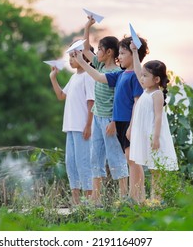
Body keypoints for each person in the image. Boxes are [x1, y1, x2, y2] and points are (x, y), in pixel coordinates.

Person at [74, 35, 149, 204]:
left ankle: (134, 197)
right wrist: (82, 61)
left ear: (133, 54)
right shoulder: (121, 75)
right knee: (127, 159)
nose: (119, 56)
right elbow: (99, 77)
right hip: (116, 120)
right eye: (120, 53)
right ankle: (131, 197)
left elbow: (137, 102)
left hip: (124, 123)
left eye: (123, 53)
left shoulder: (134, 77)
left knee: (129, 159)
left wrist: (128, 126)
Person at [81, 16, 129, 206]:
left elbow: (120, 101)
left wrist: (115, 122)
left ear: (109, 52)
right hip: (98, 117)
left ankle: (124, 196)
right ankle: (96, 198)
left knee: (115, 156)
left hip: (110, 119)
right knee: (96, 157)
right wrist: (88, 26)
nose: (97, 52)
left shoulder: (116, 73)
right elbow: (85, 50)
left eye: (100, 49)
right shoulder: (100, 64)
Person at [127, 41, 179, 203]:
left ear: (156, 79)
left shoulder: (157, 94)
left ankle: (158, 199)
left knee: (157, 169)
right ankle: (152, 199)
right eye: (142, 76)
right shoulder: (145, 91)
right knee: (150, 167)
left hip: (154, 136)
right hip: (144, 135)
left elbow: (158, 117)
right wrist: (135, 52)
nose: (141, 78)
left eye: (145, 76)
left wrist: (155, 137)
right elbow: (137, 70)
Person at [49, 45, 95, 206]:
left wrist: (88, 125)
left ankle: (88, 201)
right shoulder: (74, 77)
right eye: (70, 56)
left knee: (83, 163)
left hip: (82, 127)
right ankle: (76, 201)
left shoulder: (88, 76)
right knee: (71, 163)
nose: (70, 60)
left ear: (85, 57)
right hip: (70, 127)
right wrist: (53, 78)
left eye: (74, 56)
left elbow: (91, 102)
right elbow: (61, 96)